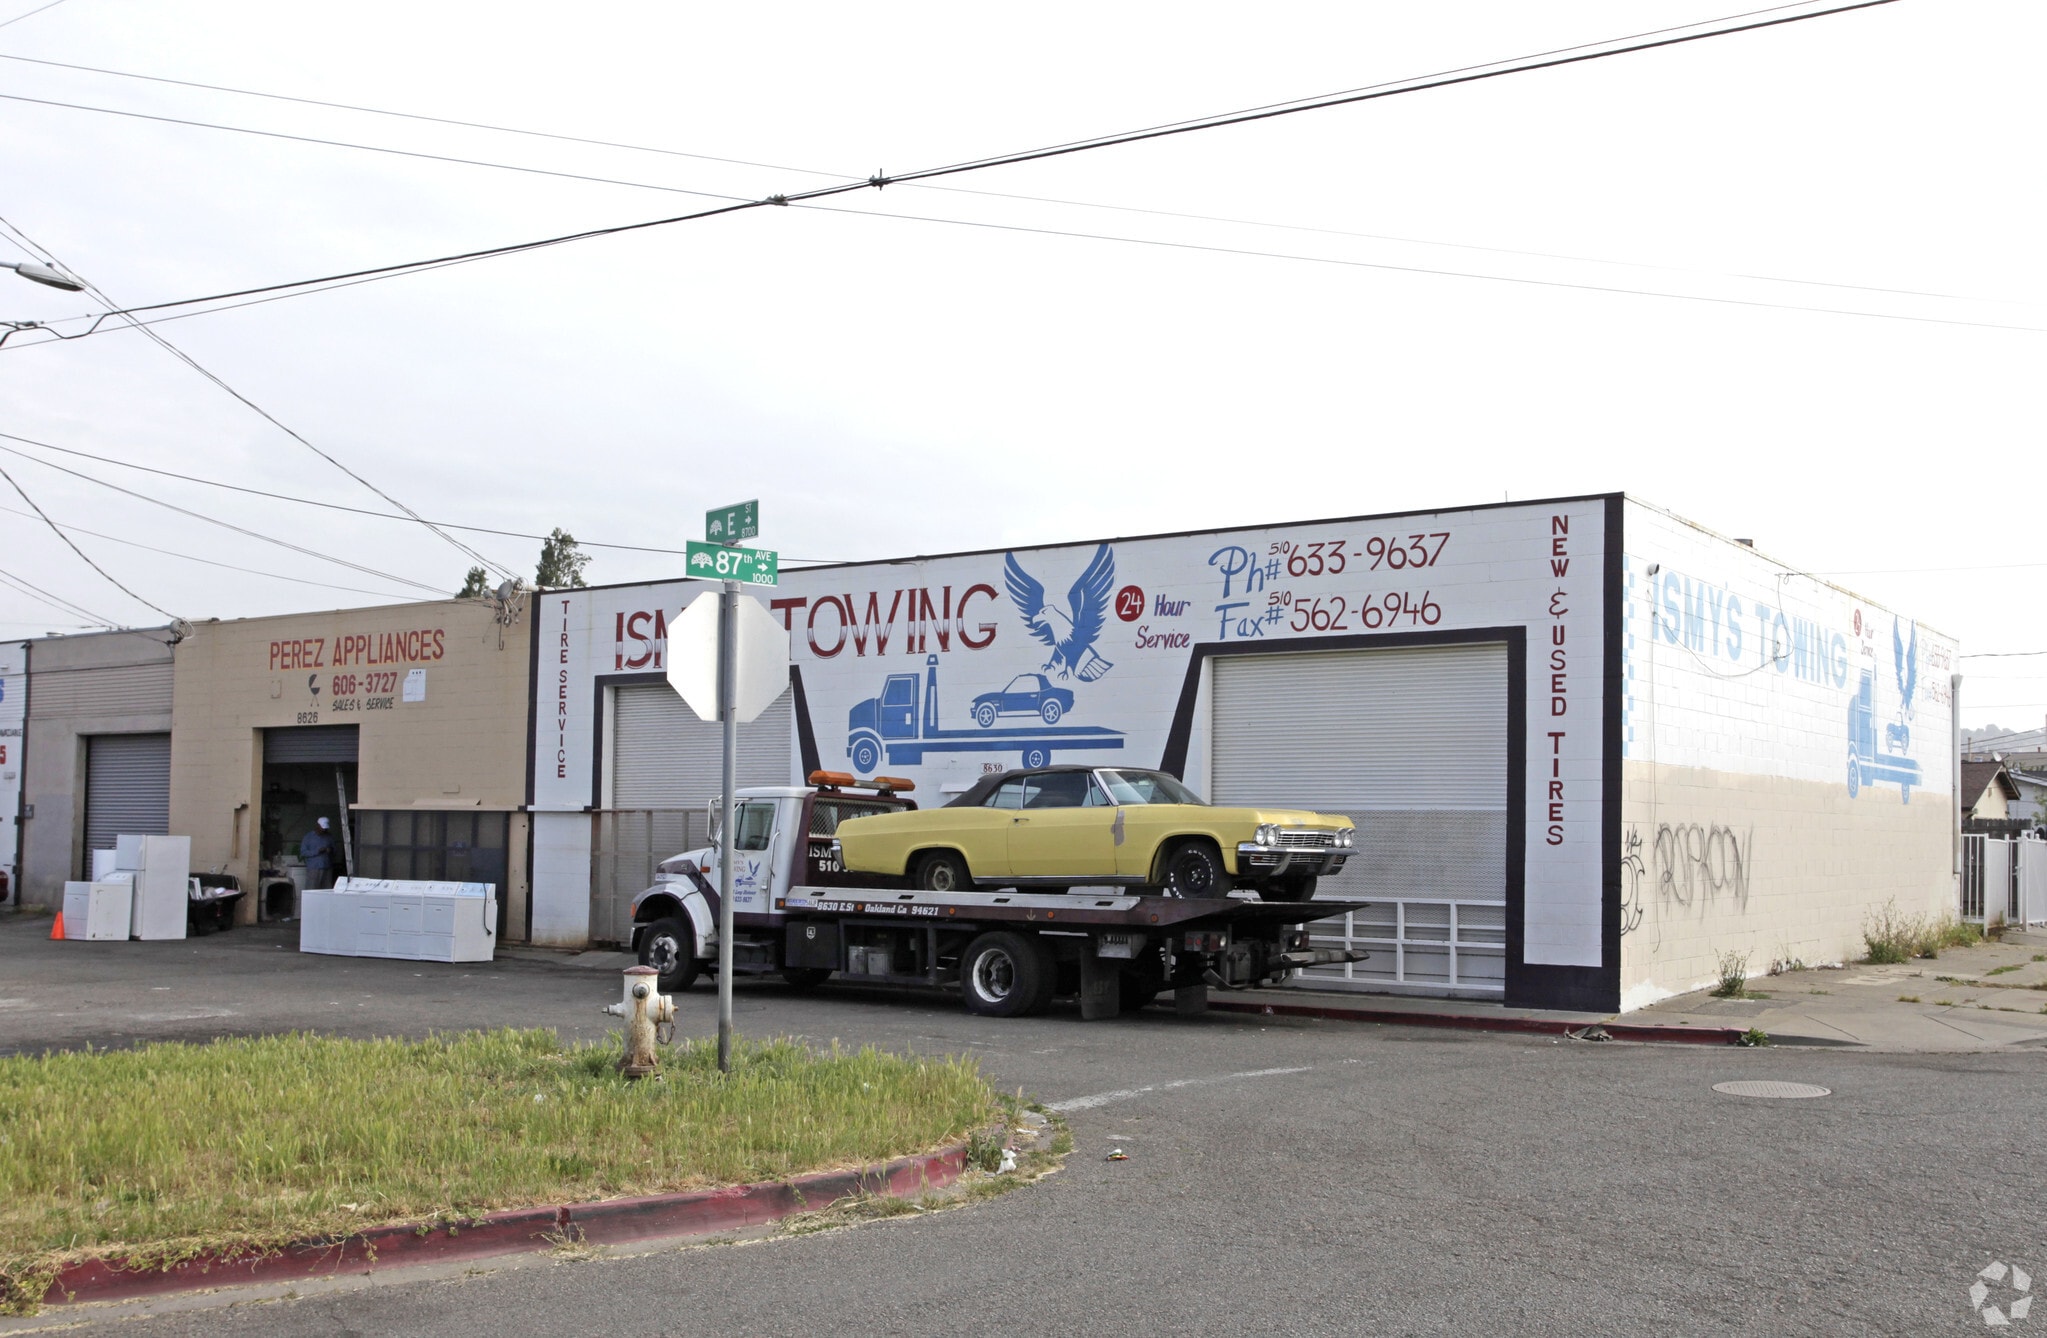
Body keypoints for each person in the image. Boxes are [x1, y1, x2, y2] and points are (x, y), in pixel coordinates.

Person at [300, 816, 336, 891]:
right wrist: (317, 851)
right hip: (313, 868)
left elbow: (335, 850)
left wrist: (330, 850)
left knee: (326, 890)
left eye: (325, 829)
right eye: (322, 828)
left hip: (326, 867)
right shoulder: (308, 837)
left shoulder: (329, 837)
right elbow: (303, 852)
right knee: (311, 889)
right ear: (317, 825)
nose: (323, 830)